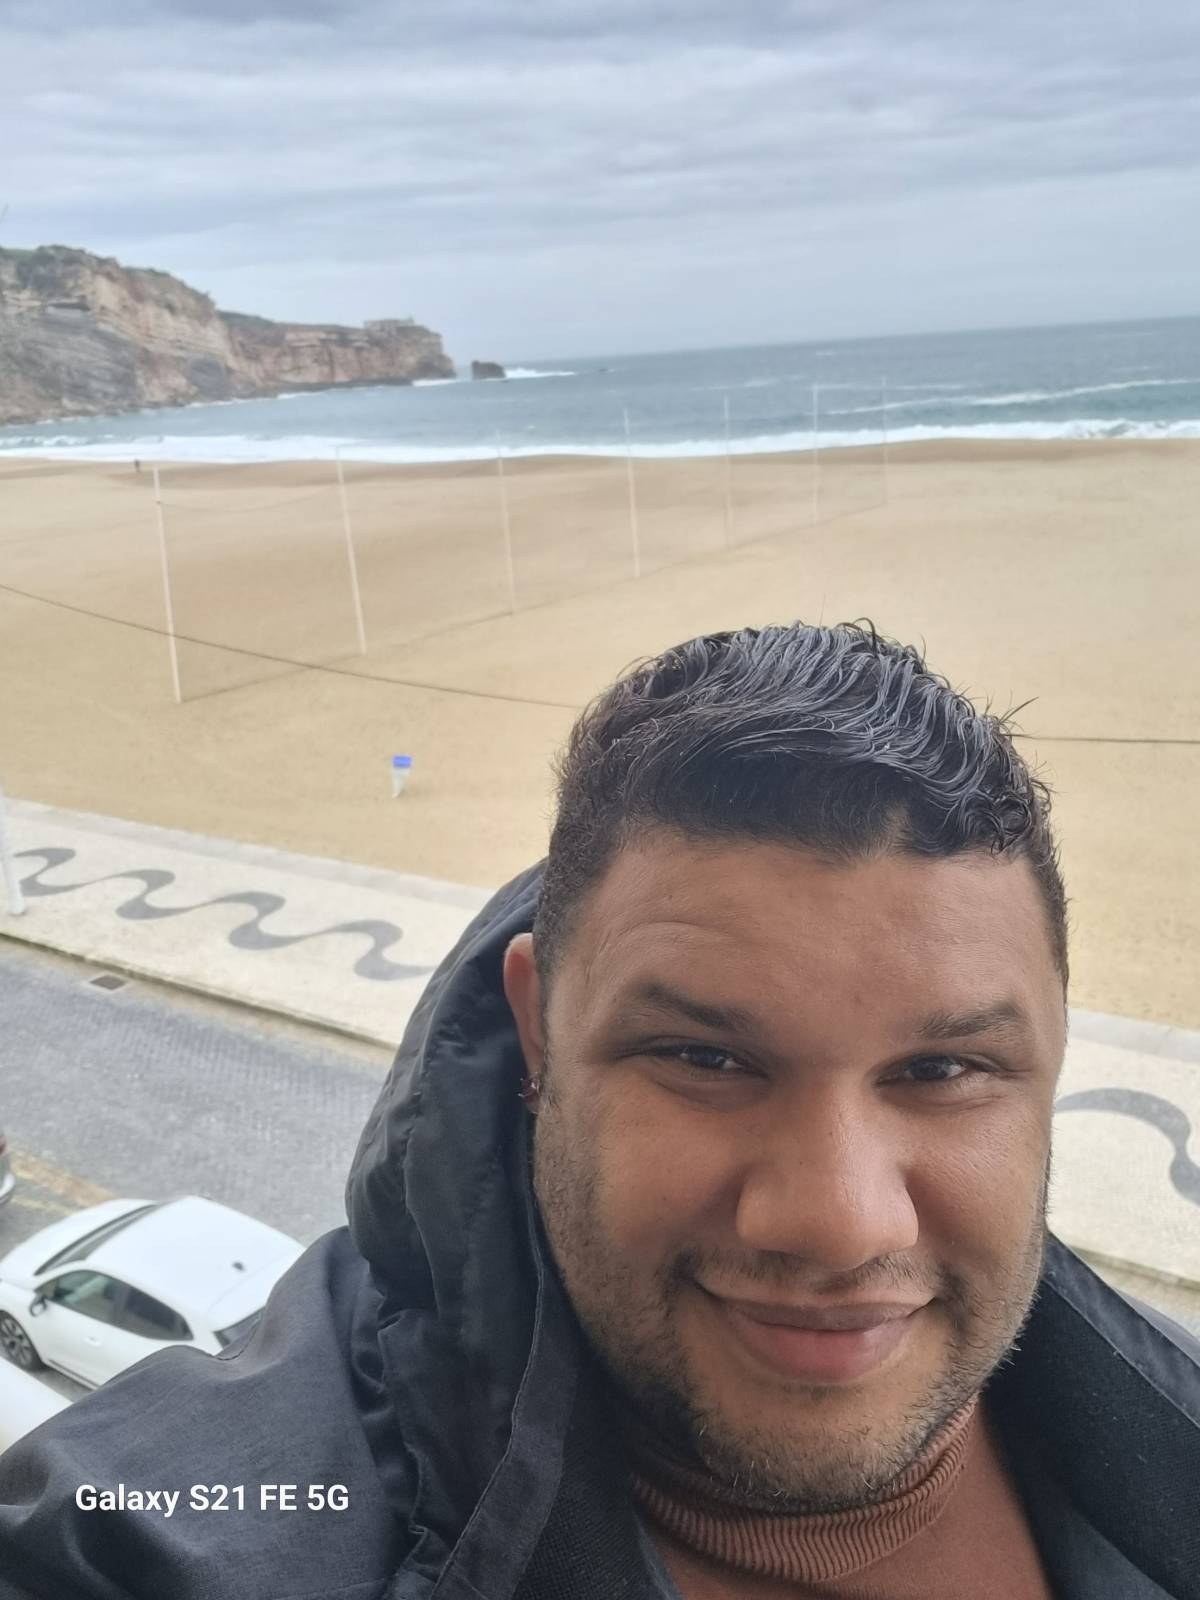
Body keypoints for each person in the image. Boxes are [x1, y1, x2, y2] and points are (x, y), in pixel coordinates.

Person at [0, 621, 1196, 1600]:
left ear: (1052, 1052)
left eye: (941, 1070)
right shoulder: (153, 1541)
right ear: (540, 1034)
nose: (838, 1222)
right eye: (705, 1057)